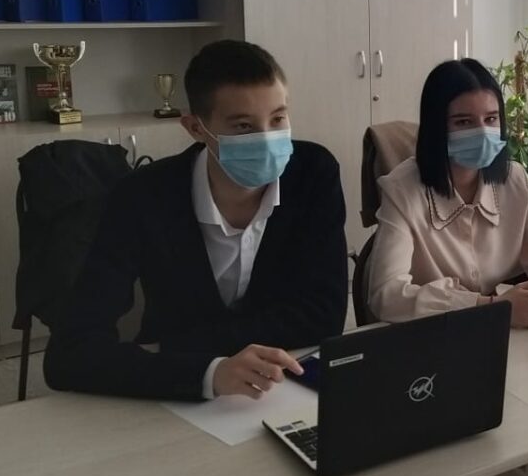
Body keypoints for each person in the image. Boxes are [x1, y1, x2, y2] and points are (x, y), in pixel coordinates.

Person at [44, 40, 347, 401]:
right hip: (175, 392)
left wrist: (181, 344)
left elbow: (325, 316)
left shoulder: (313, 173)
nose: (267, 140)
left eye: (278, 119)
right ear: (195, 128)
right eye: (243, 126)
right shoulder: (143, 196)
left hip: (280, 386)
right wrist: (208, 373)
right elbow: (68, 354)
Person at [368, 58, 528, 326]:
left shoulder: (514, 180)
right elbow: (386, 295)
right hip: (435, 334)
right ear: (436, 127)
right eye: (464, 122)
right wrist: (491, 308)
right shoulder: (401, 190)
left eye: (491, 119)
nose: (482, 132)